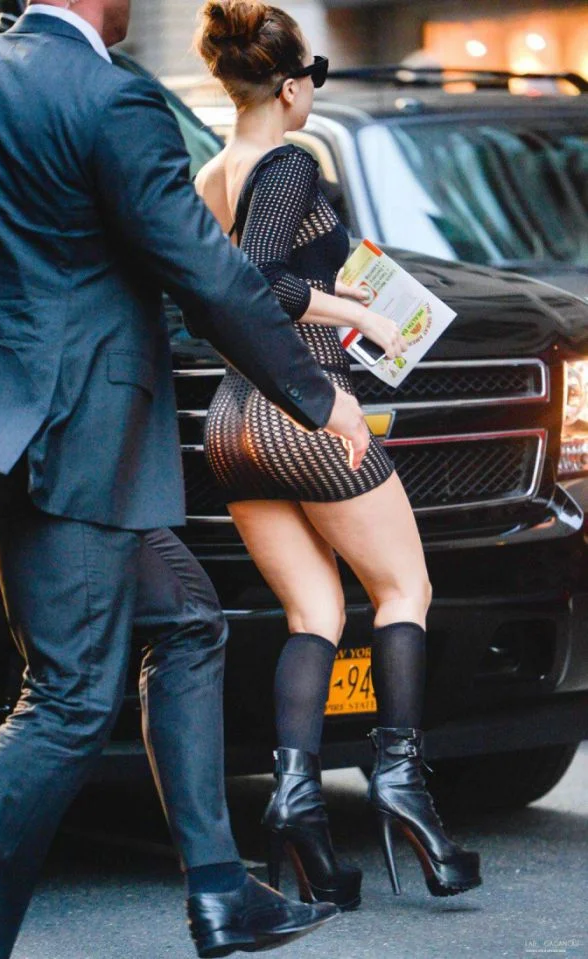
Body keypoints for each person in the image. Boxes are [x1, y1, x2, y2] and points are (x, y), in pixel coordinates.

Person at [0, 0, 385, 953]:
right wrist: (316, 394)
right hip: (77, 438)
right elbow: (206, 271)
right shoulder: (111, 98)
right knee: (69, 699)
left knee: (188, 620)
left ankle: (221, 892)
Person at [194, 0, 482, 907]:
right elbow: (263, 281)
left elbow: (221, 291)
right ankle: (402, 782)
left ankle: (296, 809)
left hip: (233, 420)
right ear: (288, 88)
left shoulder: (210, 175)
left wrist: (354, 279)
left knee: (315, 610)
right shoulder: (289, 162)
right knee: (404, 589)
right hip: (304, 409)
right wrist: (358, 312)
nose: (313, 95)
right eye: (310, 79)